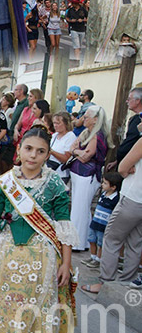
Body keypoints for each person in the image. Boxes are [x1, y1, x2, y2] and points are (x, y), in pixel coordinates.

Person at [0, 127, 78, 333]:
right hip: (4, 249)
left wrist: (67, 262)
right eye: (29, 149)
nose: (33, 155)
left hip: (41, 253)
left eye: (40, 151)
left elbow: (63, 222)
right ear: (19, 149)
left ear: (47, 154)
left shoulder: (55, 184)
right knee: (3, 299)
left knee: (34, 298)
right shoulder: (6, 181)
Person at [82, 130, 142, 295]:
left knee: (112, 239)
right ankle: (127, 281)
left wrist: (126, 169)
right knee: (135, 242)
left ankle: (105, 282)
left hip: (133, 197)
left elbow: (122, 168)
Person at [68, 105, 109, 252]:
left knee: (80, 209)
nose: (83, 119)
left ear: (95, 119)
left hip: (88, 175)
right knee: (79, 209)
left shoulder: (97, 135)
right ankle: (83, 241)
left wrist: (76, 152)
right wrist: (78, 151)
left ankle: (77, 242)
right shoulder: (87, 132)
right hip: (78, 174)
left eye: (86, 117)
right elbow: (72, 148)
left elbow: (86, 156)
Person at [86, 170, 122, 267]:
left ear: (113, 187)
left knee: (101, 243)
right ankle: (92, 257)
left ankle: (98, 259)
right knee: (91, 240)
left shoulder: (115, 199)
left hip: (104, 226)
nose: (102, 184)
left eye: (105, 183)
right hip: (95, 222)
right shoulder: (103, 194)